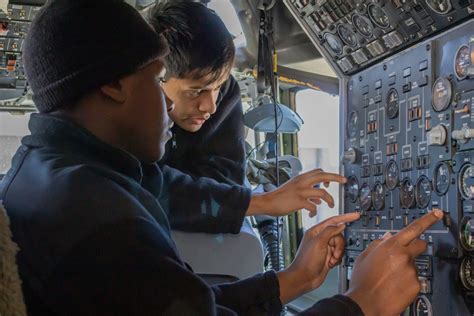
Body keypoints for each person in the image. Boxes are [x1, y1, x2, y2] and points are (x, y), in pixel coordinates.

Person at [0, 0, 443, 315]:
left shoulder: (57, 171)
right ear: (113, 85)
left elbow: (184, 303)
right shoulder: (100, 220)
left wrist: (296, 280)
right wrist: (360, 303)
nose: (174, 106)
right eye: (158, 82)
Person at [145, 2, 336, 234]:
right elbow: (140, 186)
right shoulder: (119, 118)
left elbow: (226, 181)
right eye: (196, 91)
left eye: (216, 87)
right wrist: (265, 202)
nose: (211, 106)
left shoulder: (225, 94)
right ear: (154, 76)